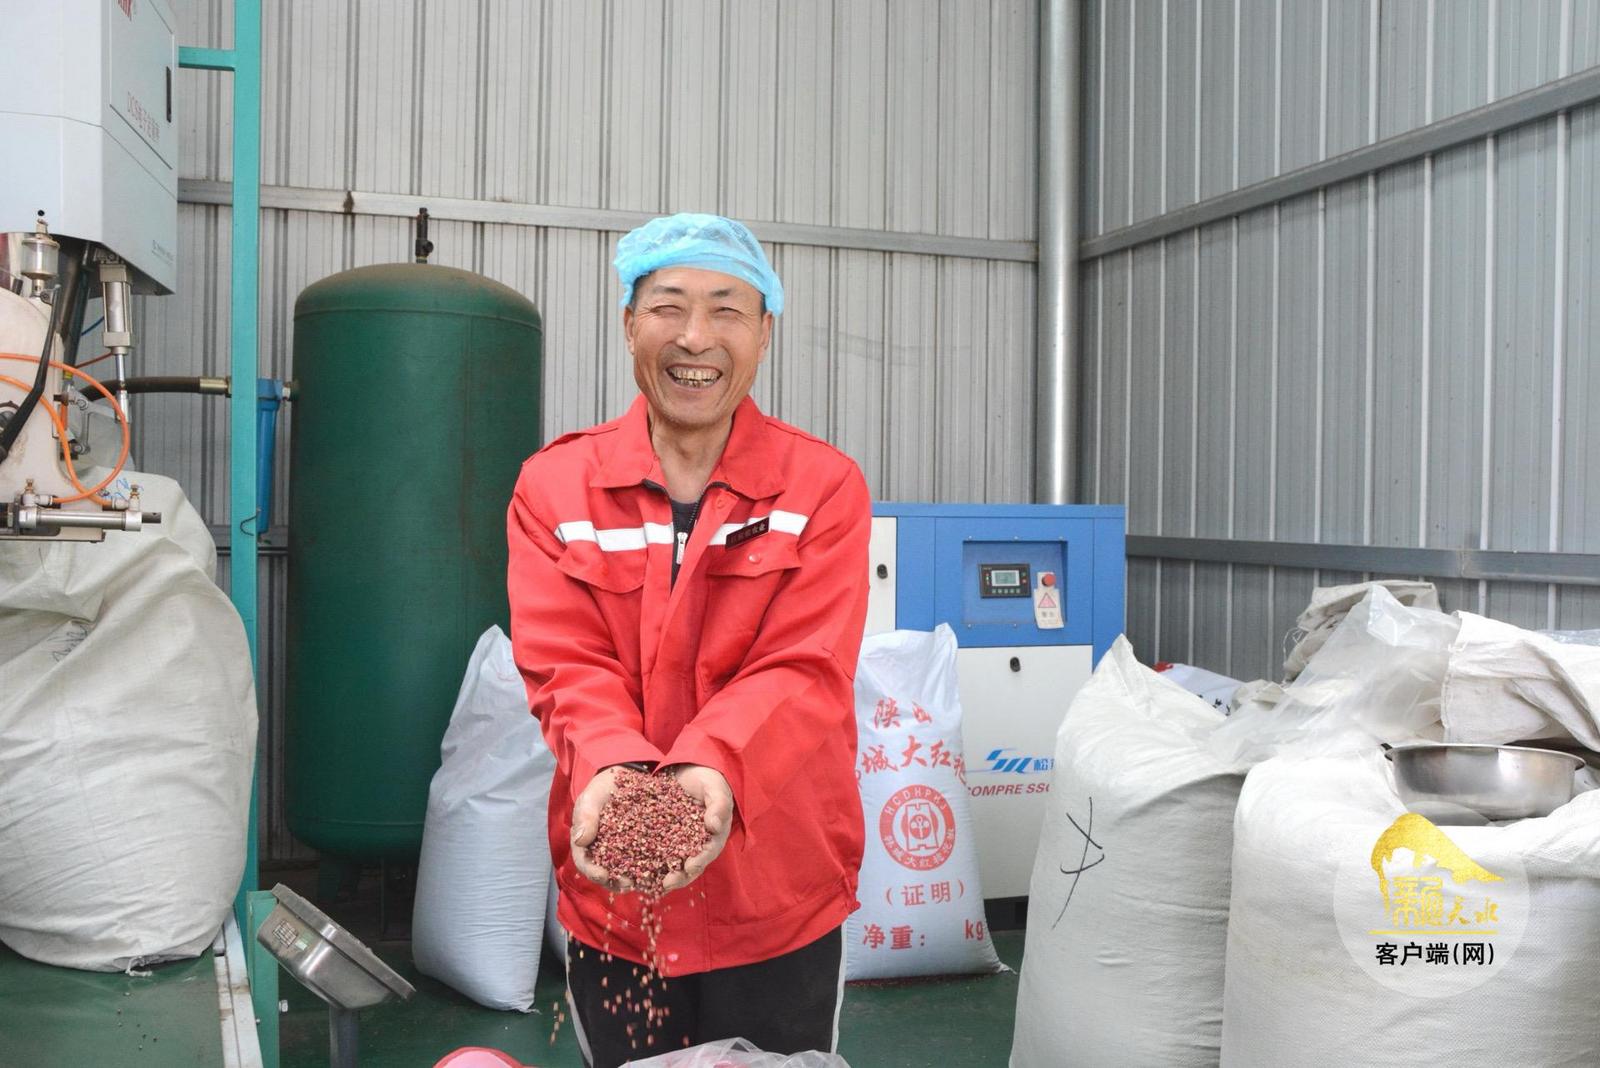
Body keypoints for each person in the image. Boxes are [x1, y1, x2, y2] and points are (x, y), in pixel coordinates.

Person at [506, 213, 871, 1066]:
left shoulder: (821, 487)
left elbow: (805, 667)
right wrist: (615, 772)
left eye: (727, 309)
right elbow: (564, 663)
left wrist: (711, 770)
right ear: (629, 324)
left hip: (775, 888)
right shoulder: (556, 486)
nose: (696, 337)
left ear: (765, 332)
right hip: (618, 898)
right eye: (668, 306)